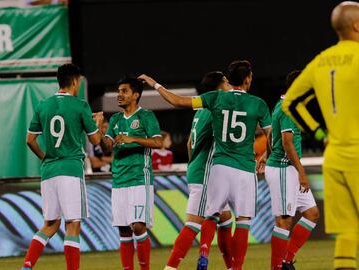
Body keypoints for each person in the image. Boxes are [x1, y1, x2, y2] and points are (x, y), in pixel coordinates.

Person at [139, 59, 272, 270]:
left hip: (216, 168)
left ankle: (206, 254)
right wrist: (265, 156)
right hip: (240, 168)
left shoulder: (211, 101)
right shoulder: (258, 104)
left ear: (230, 79)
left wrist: (155, 84)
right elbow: (271, 138)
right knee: (240, 222)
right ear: (247, 80)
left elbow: (177, 103)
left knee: (220, 217)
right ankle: (222, 264)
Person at [282, 2, 359, 269]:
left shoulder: (321, 60)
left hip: (335, 156)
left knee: (347, 233)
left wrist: (319, 131)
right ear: (356, 25)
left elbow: (290, 103)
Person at [23, 63, 103, 270]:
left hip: (49, 171)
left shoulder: (43, 105)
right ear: (75, 81)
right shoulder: (80, 105)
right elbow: (95, 140)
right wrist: (99, 123)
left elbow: (30, 140)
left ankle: (26, 266)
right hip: (70, 170)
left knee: (50, 225)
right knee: (73, 224)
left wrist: (44, 157)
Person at [163, 71, 233, 270]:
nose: (229, 85)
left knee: (225, 219)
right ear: (221, 86)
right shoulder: (216, 109)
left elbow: (188, 144)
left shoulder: (201, 110)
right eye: (226, 82)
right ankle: (170, 268)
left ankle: (230, 267)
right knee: (193, 223)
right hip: (205, 173)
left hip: (198, 168)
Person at [100, 76, 163, 270]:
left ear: (135, 95)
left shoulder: (146, 116)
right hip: (119, 180)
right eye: (118, 91)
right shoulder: (116, 119)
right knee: (124, 230)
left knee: (138, 225)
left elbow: (158, 142)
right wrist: (99, 129)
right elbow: (106, 148)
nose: (119, 95)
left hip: (139, 179)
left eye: (124, 91)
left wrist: (132, 139)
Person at [265, 70, 319, 270]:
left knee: (312, 213)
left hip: (289, 169)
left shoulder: (287, 106)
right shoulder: (288, 108)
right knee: (284, 221)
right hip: (283, 168)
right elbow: (288, 143)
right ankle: (277, 267)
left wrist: (265, 154)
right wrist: (302, 173)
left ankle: (286, 260)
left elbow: (272, 133)